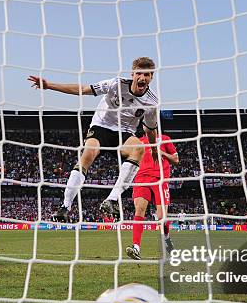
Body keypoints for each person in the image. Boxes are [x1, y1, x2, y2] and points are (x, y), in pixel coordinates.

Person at [28, 57, 160, 222]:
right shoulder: (115, 84)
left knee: (139, 148)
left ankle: (112, 200)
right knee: (88, 155)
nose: (142, 78)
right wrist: (49, 86)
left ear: (152, 77)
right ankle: (65, 206)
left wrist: (154, 149)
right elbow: (83, 89)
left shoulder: (152, 102)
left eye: (147, 74)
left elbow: (150, 127)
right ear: (132, 74)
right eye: (139, 73)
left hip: (124, 133)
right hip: (101, 126)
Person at [125, 133, 178, 260]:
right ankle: (136, 247)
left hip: (160, 180)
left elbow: (176, 160)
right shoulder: (139, 142)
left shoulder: (165, 139)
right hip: (141, 179)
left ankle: (167, 239)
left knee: (161, 217)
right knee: (139, 210)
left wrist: (162, 153)